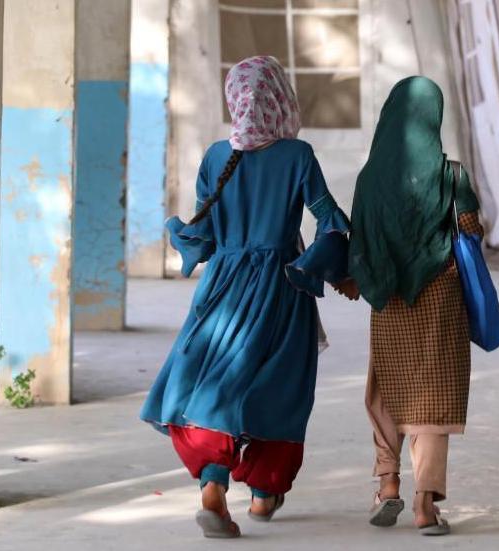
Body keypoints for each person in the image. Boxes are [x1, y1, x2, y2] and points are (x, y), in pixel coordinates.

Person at [140, 56, 355, 539]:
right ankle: (263, 491)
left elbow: (205, 232)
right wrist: (329, 268)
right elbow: (330, 219)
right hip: (282, 286)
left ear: (233, 100)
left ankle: (212, 485)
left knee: (215, 380)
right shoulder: (298, 155)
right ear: (281, 97)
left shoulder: (217, 156)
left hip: (221, 288)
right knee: (279, 384)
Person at [347, 76, 483, 536]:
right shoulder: (453, 176)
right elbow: (471, 228)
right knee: (433, 397)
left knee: (387, 387)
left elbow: (359, 240)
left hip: (389, 299)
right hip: (440, 297)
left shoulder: (369, 179)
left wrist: (367, 280)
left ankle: (388, 484)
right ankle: (426, 504)